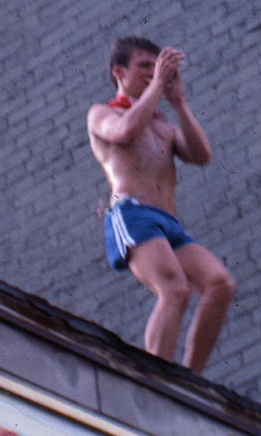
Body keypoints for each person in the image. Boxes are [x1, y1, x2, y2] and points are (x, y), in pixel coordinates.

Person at [86, 37, 234, 374]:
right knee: (174, 289)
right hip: (133, 213)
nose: (153, 73)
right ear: (119, 72)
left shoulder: (163, 125)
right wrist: (156, 86)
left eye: (156, 67)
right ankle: (154, 379)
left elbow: (201, 156)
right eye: (144, 67)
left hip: (169, 222)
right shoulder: (102, 113)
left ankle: (188, 379)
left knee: (219, 283)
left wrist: (178, 102)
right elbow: (124, 131)